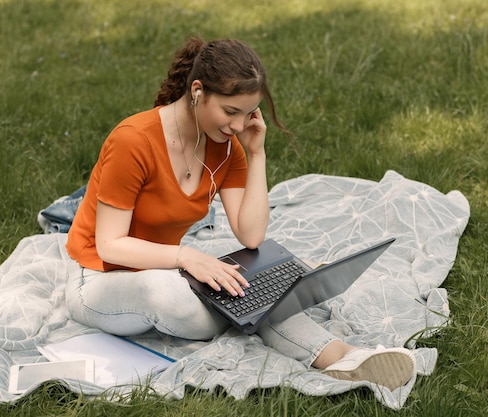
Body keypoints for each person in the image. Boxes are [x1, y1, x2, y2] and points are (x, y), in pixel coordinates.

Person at [64, 37, 416, 390]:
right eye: (230, 112)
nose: (237, 124)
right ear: (197, 91)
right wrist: (187, 257)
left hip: (167, 269)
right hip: (99, 280)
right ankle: (258, 310)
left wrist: (256, 153)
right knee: (183, 294)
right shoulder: (133, 141)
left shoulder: (227, 145)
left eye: (248, 113)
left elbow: (251, 236)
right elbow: (109, 245)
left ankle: (344, 357)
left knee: (248, 286)